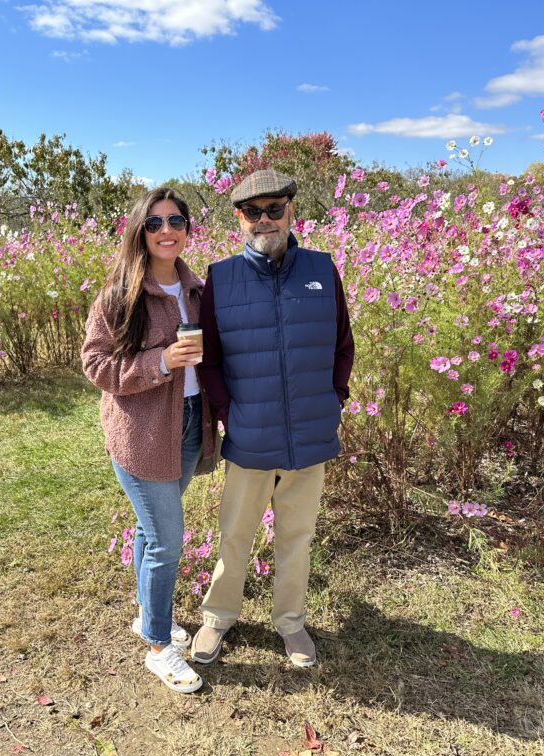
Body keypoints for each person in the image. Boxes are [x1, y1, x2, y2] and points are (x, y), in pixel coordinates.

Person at [193, 169, 354, 667]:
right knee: (235, 535)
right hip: (249, 436)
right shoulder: (221, 278)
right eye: (252, 212)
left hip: (311, 434)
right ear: (239, 219)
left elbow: (342, 345)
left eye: (274, 209)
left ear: (291, 211)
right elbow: (209, 358)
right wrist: (228, 414)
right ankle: (217, 619)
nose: (265, 220)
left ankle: (291, 624)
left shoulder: (323, 270)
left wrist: (334, 400)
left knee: (297, 538)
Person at [81, 187, 215, 693]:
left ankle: (144, 616)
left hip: (186, 423)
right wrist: (160, 362)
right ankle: (159, 646)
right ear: (140, 230)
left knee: (149, 526)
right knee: (165, 539)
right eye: (155, 222)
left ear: (187, 228)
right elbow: (96, 364)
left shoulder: (198, 290)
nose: (166, 231)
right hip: (140, 432)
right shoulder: (121, 294)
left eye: (175, 220)